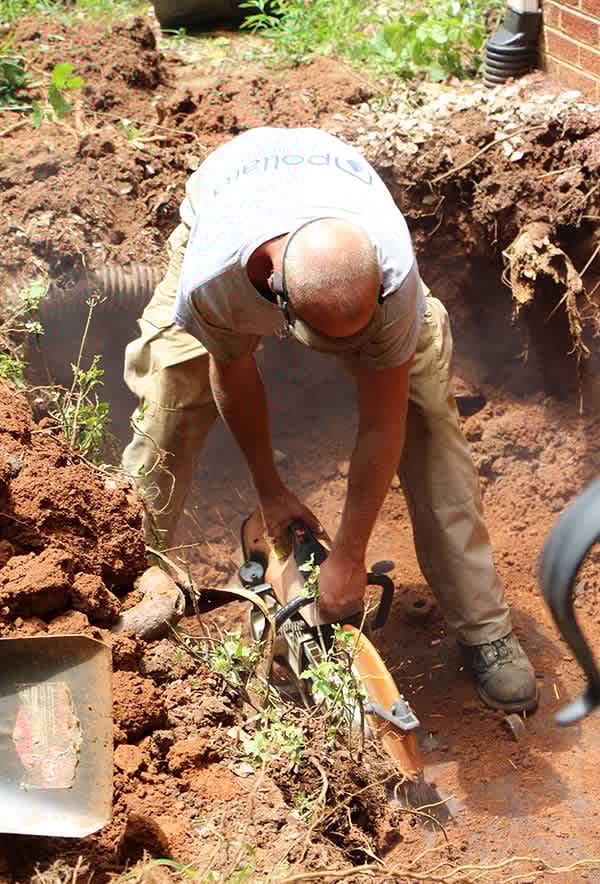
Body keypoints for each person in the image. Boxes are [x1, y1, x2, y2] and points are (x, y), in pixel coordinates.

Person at [122, 126, 538, 713]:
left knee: (427, 417)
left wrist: (348, 554)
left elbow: (382, 419)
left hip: (341, 230)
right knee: (172, 391)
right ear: (277, 296)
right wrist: (269, 491)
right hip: (226, 214)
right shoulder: (211, 281)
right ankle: (129, 577)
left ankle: (485, 627)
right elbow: (233, 377)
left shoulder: (389, 270)